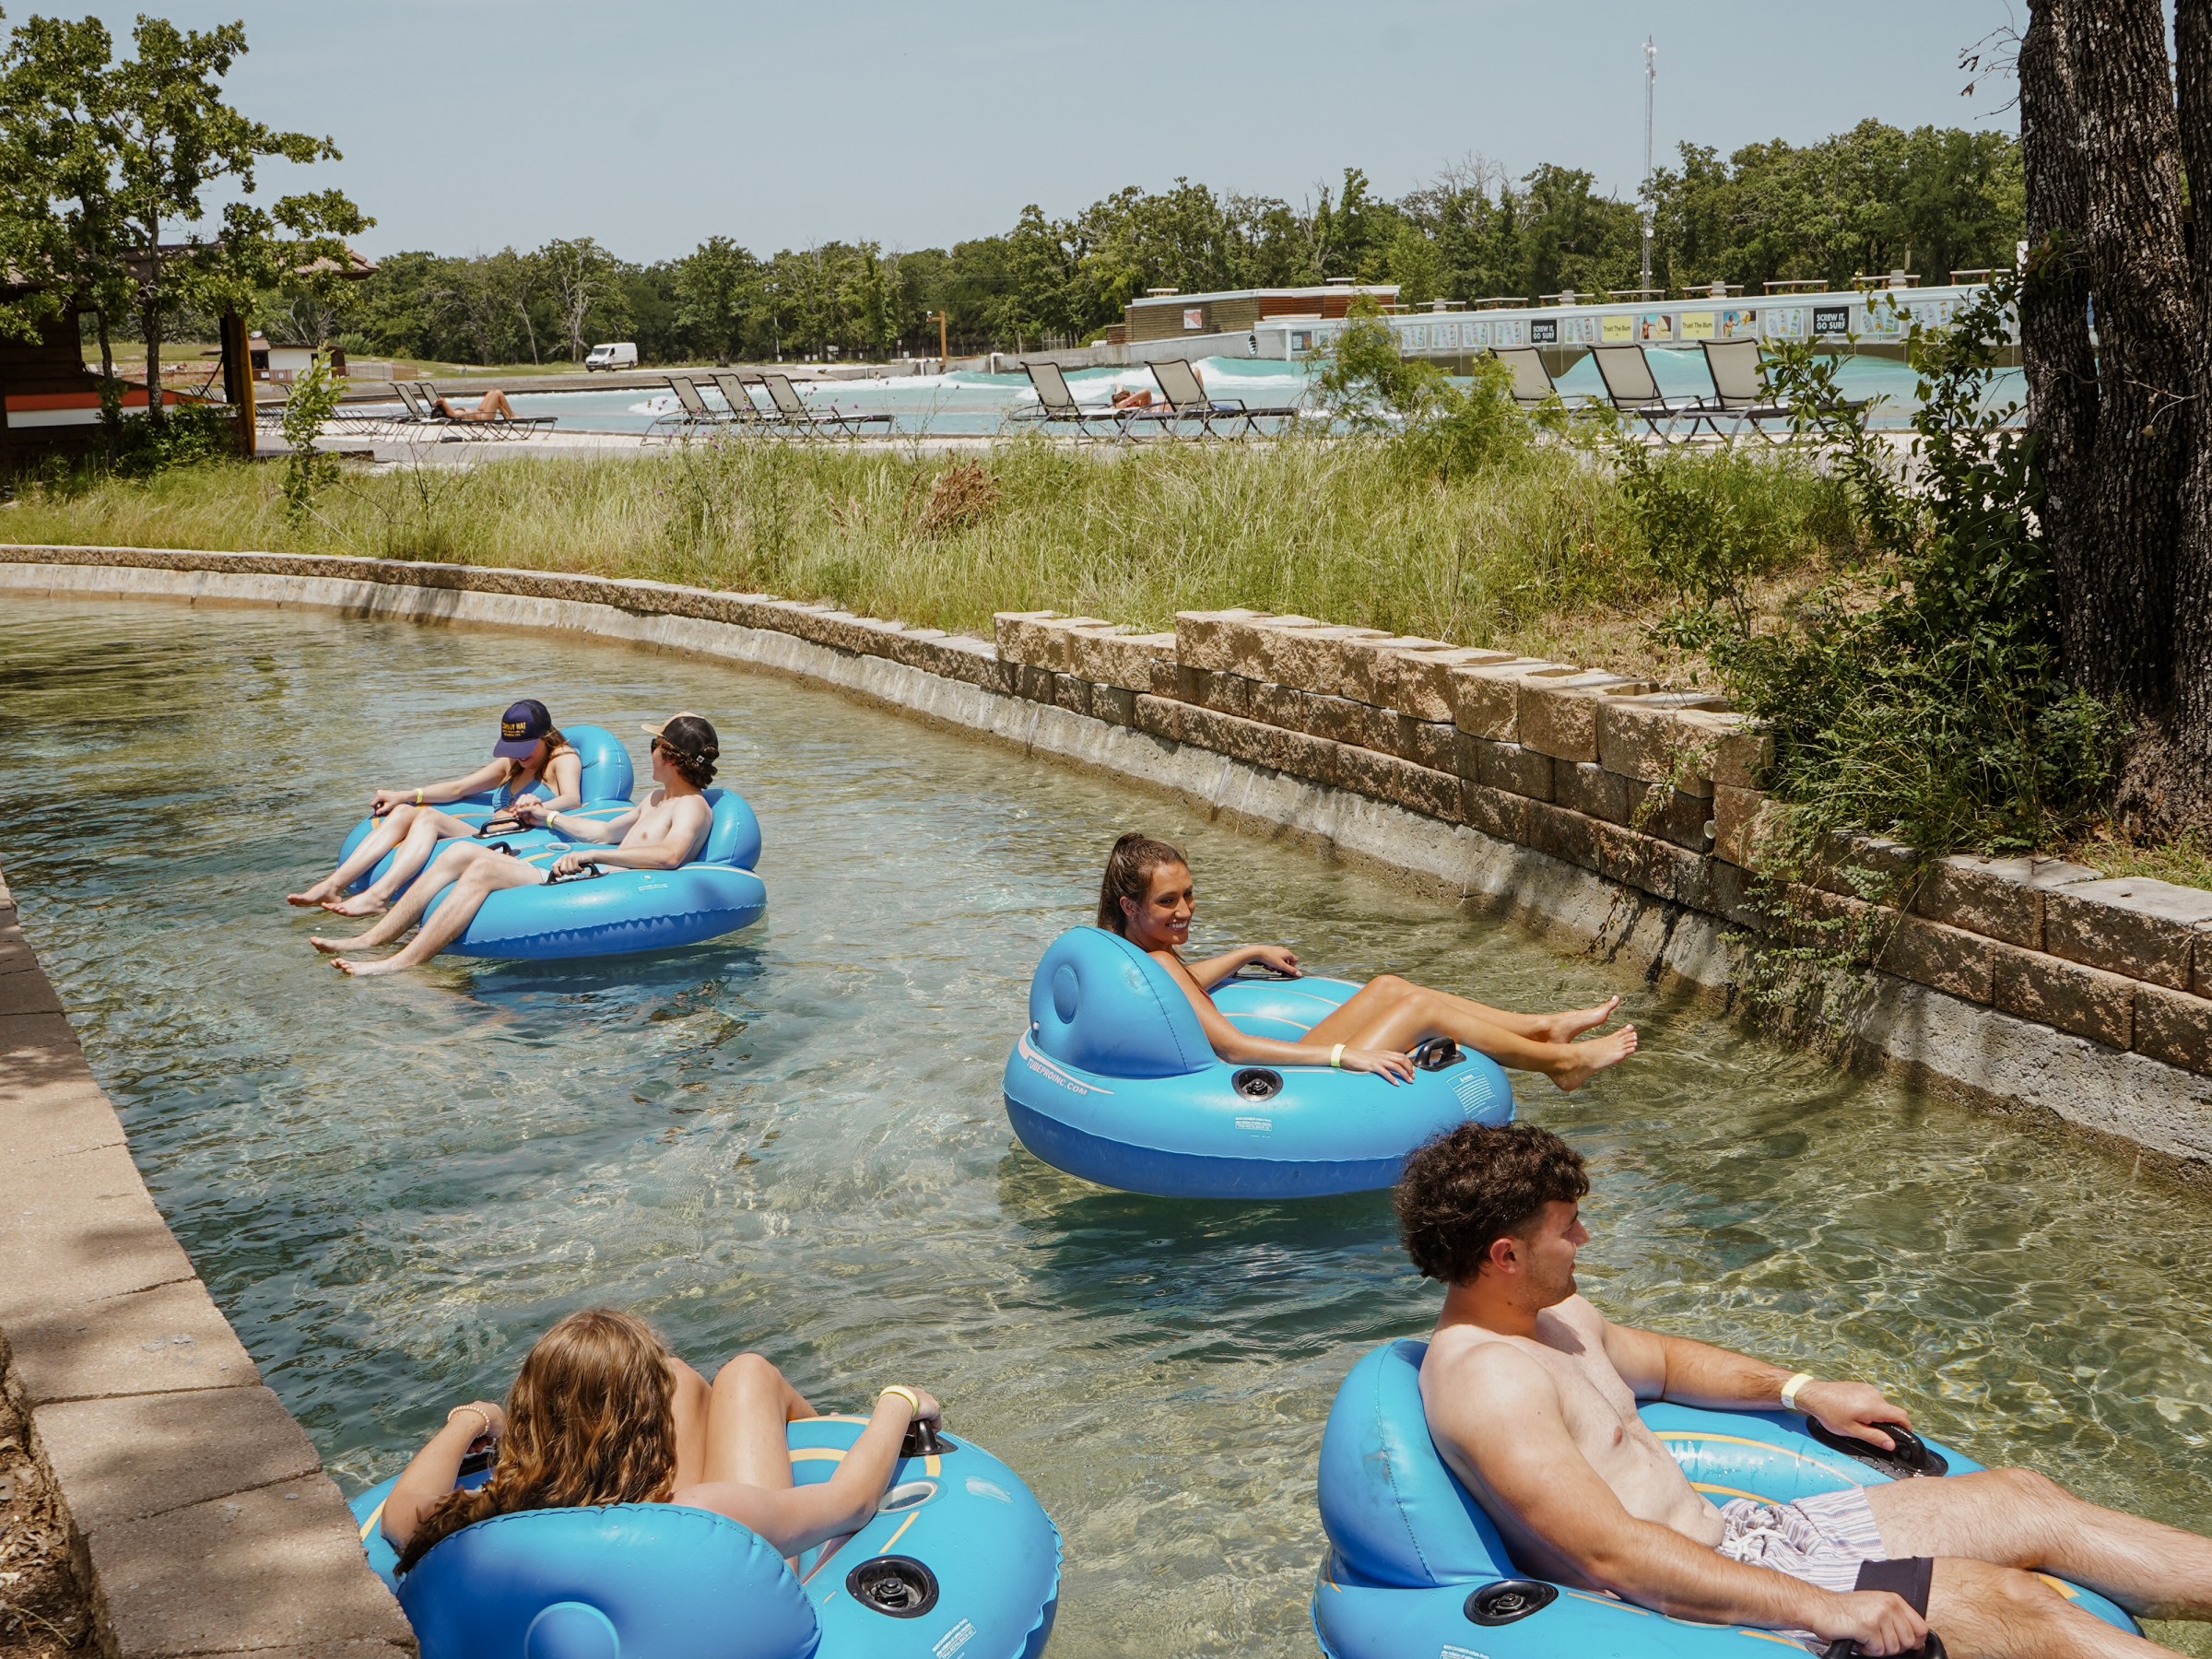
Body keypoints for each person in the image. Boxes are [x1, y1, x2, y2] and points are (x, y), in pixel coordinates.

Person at [1397, 1122, 2212, 1656]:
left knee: (2024, 1499)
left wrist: (1801, 1388)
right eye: (1565, 1227)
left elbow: (1669, 1364)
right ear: (1505, 1256)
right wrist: (1821, 1608)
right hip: (1698, 1603)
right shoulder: (1488, 1381)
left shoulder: (1556, 1317)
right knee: (2013, 1606)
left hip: (1755, 1534)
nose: (1585, 1237)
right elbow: (1613, 1553)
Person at [380, 1307, 941, 1573]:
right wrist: (898, 1402)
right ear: (649, 1425)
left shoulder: (470, 1523)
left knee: (679, 1374)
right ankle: (819, 1429)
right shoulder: (705, 1514)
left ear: (528, 1414)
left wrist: (473, 1418)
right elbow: (855, 1501)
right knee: (745, 1373)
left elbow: (400, 1509)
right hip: (733, 1576)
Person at [1097, 832, 1635, 1092]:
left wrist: (1248, 952)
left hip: (1275, 1062)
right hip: (1267, 1078)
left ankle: (1543, 1027)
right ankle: (1559, 1064)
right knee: (1419, 1006)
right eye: (1169, 902)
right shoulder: (1161, 963)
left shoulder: (1141, 952)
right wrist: (1343, 1056)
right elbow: (1232, 1046)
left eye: (1188, 895)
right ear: (1130, 905)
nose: (1185, 910)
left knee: (1387, 985)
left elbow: (1186, 984)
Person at [312, 713, 719, 976]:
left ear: (667, 755)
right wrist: (550, 817)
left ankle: (401, 963)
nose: (648, 753)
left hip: (602, 882)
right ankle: (372, 939)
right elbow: (601, 831)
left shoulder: (691, 808)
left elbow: (669, 856)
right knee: (459, 852)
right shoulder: (655, 800)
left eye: (653, 746)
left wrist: (595, 856)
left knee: (485, 868)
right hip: (586, 872)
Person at [287, 700, 582, 913]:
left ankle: (380, 895)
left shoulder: (562, 758)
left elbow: (572, 798)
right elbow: (460, 788)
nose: (519, 756)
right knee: (404, 811)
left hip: (518, 838)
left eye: (525, 747)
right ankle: (334, 884)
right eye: (513, 748)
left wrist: (538, 803)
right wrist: (404, 794)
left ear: (544, 736)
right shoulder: (512, 764)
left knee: (427, 817)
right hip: (488, 831)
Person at [435, 388, 524, 422]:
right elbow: (443, 402)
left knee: (491, 393)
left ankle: (507, 415)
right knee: (498, 393)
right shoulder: (452, 414)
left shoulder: (453, 411)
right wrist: (441, 401)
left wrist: (436, 403)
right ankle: (511, 415)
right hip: (484, 417)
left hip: (480, 412)